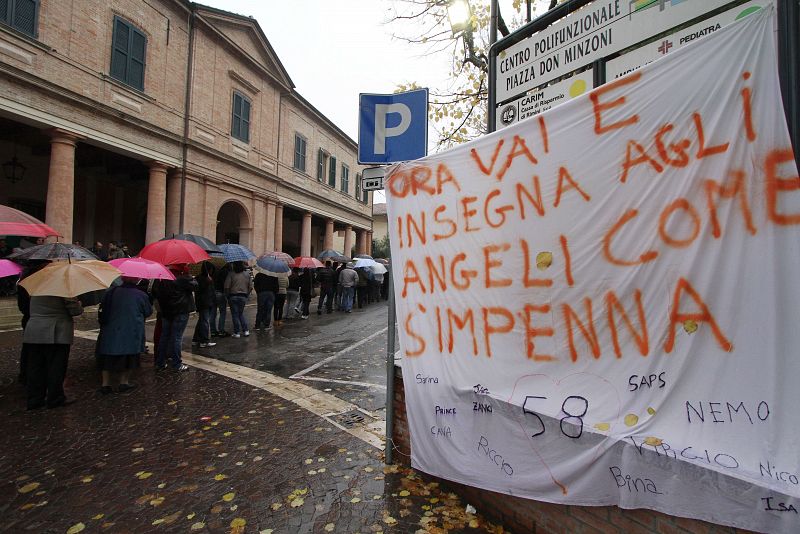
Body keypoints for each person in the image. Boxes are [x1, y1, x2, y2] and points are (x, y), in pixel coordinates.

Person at [24, 295, 83, 409]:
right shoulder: (64, 289)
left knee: (36, 367)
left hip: (34, 331)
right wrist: (79, 304)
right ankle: (55, 398)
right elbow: (75, 310)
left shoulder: (36, 287)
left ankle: (35, 399)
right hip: (57, 332)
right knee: (56, 367)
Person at [96, 277, 152, 393]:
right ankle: (124, 382)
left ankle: (105, 384)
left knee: (107, 357)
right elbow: (148, 311)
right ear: (136, 280)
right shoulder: (140, 295)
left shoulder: (110, 292)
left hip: (110, 330)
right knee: (129, 357)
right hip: (131, 330)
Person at [154, 266, 197, 371]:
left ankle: (160, 362)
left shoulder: (161, 278)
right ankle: (177, 364)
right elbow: (195, 285)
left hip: (166, 311)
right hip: (180, 311)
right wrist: (189, 275)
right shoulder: (182, 278)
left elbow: (156, 293)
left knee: (164, 337)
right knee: (176, 337)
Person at [191, 261, 217, 347]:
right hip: (204, 303)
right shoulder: (201, 279)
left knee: (201, 321)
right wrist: (207, 282)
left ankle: (196, 339)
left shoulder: (208, 278)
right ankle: (204, 341)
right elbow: (200, 290)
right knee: (205, 321)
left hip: (206, 302)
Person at [225, 261, 252, 337]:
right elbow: (250, 287)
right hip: (243, 296)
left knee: (235, 314)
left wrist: (227, 296)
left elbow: (227, 286)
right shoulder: (247, 274)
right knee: (240, 314)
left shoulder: (231, 274)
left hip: (233, 296)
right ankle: (246, 330)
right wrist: (247, 294)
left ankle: (237, 332)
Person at [211, 263, 230, 337]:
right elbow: (226, 284)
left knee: (213, 312)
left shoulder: (212, 274)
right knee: (222, 312)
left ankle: (213, 331)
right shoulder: (225, 272)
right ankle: (221, 330)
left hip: (212, 293)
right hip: (220, 293)